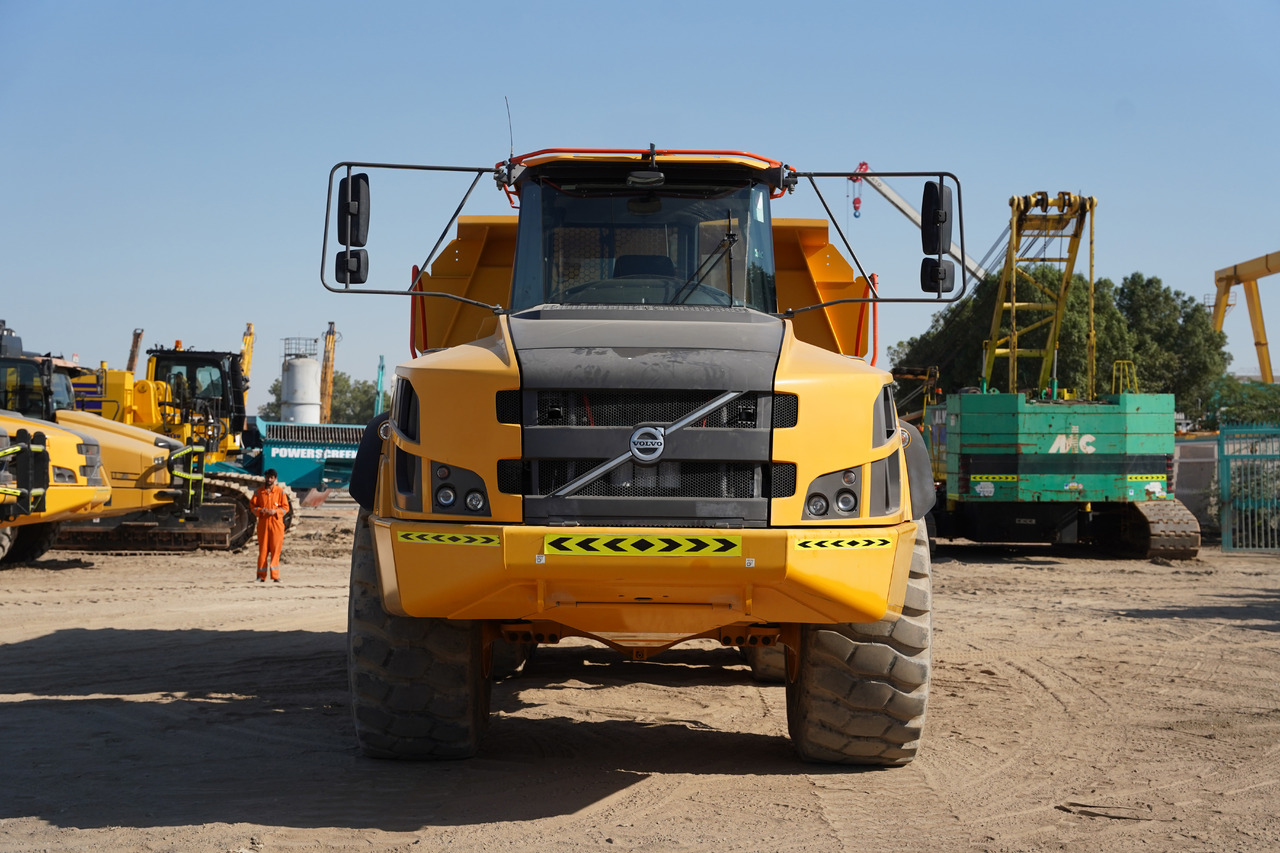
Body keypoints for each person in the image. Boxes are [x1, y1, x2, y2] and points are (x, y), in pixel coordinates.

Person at [250, 469, 290, 582]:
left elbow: (286, 508)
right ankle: (260, 576)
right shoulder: (259, 492)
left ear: (275, 479)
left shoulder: (280, 492)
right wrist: (260, 510)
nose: (269, 479)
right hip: (263, 524)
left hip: (276, 524)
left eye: (271, 477)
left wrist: (276, 512)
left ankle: (275, 576)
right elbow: (253, 506)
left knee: (275, 550)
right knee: (263, 550)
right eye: (268, 477)